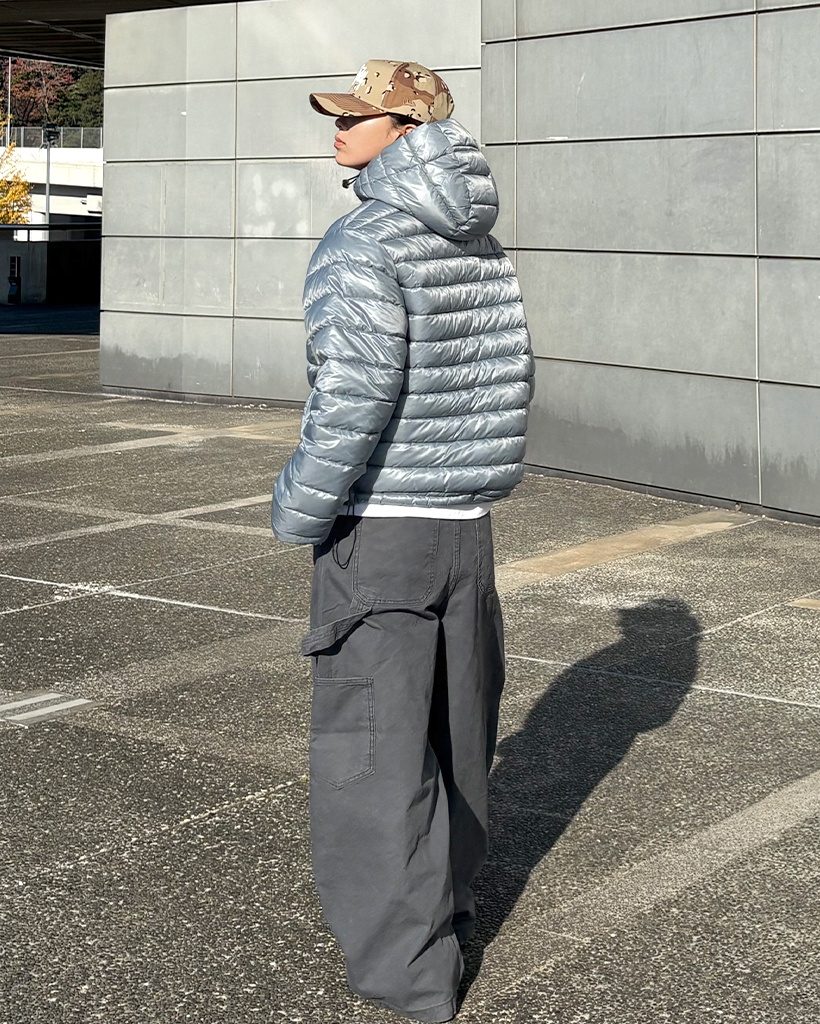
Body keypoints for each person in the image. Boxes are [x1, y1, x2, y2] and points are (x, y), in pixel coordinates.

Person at [271, 59, 533, 1023]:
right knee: (456, 743)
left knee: (374, 758)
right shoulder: (479, 237)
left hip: (383, 528)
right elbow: (507, 378)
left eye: (356, 118)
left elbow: (352, 395)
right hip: (465, 530)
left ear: (408, 129)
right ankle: (447, 920)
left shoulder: (365, 238)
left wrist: (301, 508)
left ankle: (411, 979)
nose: (337, 131)